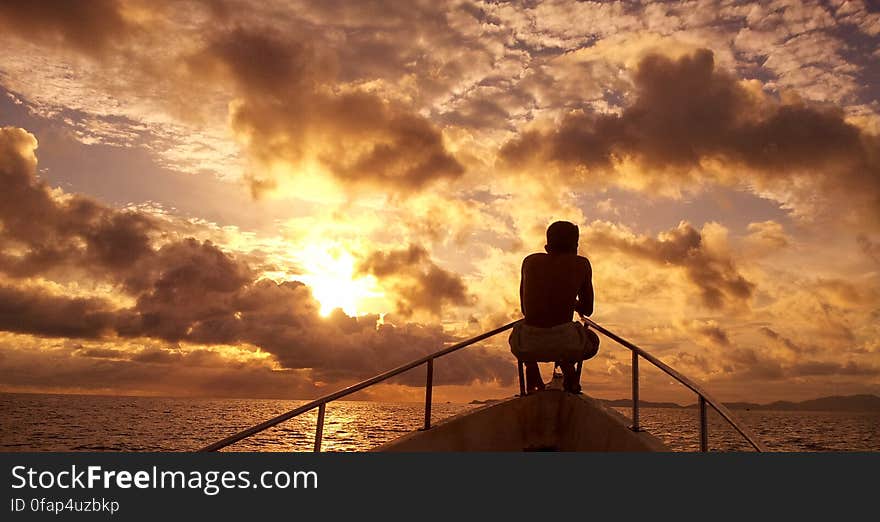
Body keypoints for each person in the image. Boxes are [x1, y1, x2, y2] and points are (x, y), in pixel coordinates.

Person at [509, 220, 599, 393]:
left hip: (527, 345)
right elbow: (587, 309)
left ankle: (532, 369)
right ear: (575, 245)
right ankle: (567, 367)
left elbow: (525, 309)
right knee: (592, 340)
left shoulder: (529, 262)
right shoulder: (581, 264)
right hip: (566, 343)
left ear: (547, 245)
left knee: (520, 327)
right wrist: (569, 301)